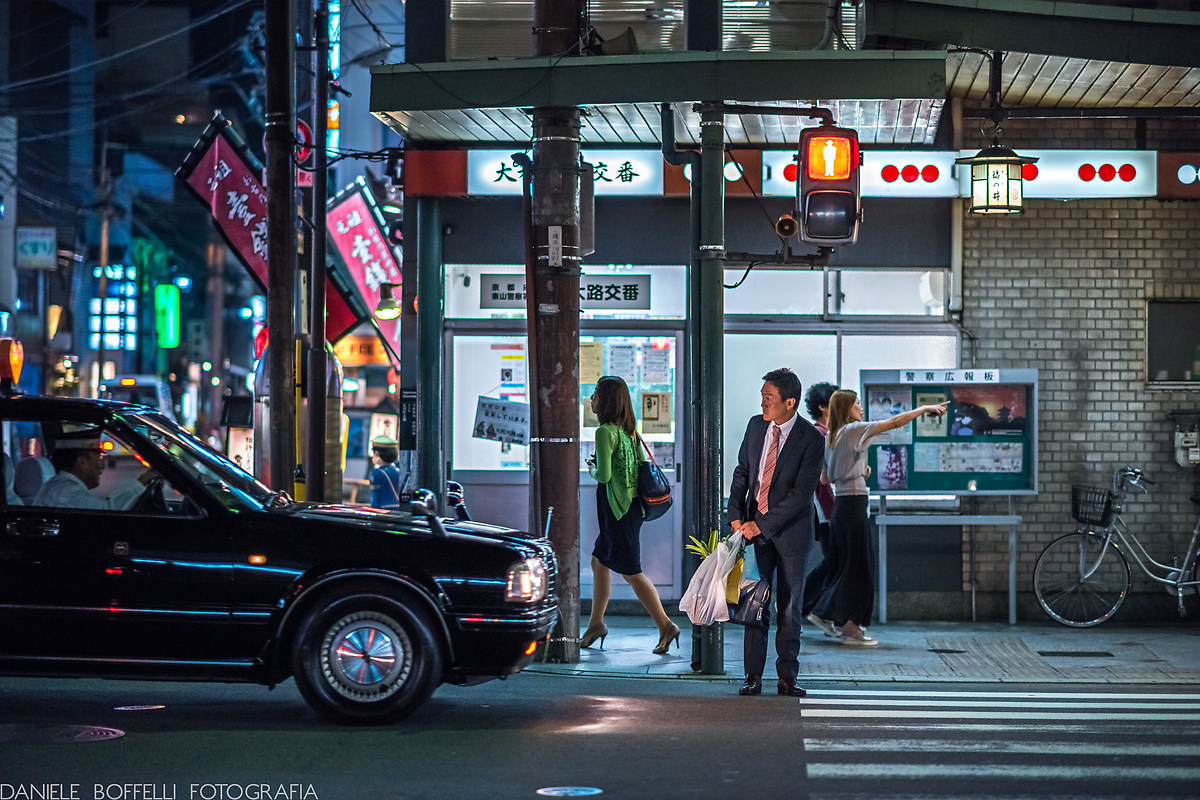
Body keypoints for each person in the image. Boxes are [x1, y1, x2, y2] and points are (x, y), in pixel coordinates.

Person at [812, 390, 948, 646]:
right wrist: (923, 409)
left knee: (849, 566)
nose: (861, 408)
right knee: (860, 568)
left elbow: (825, 478)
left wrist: (857, 469)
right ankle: (849, 627)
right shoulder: (853, 430)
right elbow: (894, 422)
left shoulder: (831, 437)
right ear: (847, 408)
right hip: (854, 505)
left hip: (841, 507)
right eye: (857, 403)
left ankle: (831, 616)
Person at [728, 368, 825, 697]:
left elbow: (801, 495)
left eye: (769, 398)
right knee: (754, 603)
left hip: (792, 533)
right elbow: (742, 472)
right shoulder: (756, 426)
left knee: (789, 606)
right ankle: (752, 676)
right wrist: (734, 514)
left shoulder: (811, 438)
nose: (763, 403)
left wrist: (763, 524)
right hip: (754, 529)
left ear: (790, 402)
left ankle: (787, 677)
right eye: (762, 397)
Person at [581, 375, 679, 655]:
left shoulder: (604, 432)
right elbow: (638, 468)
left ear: (606, 400)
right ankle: (595, 624)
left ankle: (666, 625)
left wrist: (591, 468)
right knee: (599, 562)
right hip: (631, 509)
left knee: (632, 572)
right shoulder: (629, 431)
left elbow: (603, 475)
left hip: (617, 511)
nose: (592, 399)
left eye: (596, 393)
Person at [799, 381, 841, 639]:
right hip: (825, 510)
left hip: (827, 510)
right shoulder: (820, 435)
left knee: (834, 561)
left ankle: (805, 607)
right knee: (834, 561)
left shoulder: (825, 434)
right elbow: (823, 479)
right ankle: (805, 607)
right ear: (824, 407)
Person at [34, 429, 156, 510]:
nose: (102, 466)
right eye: (99, 459)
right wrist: (143, 480)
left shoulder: (63, 487)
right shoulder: (64, 491)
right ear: (82, 462)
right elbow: (108, 512)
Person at [369, 434, 404, 510]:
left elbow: (376, 498)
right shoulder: (397, 470)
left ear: (377, 453)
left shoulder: (377, 473)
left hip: (383, 510)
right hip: (397, 508)